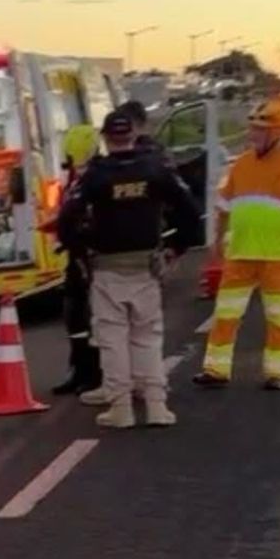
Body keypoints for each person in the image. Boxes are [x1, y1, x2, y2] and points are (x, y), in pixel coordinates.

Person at [58, 110, 201, 428]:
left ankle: (120, 407)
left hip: (107, 267)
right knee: (148, 337)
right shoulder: (156, 169)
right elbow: (190, 210)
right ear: (134, 134)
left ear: (106, 139)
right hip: (147, 264)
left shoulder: (95, 175)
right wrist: (175, 249)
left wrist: (81, 252)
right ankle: (156, 406)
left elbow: (67, 219)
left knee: (112, 339)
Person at [194, 96, 280, 391]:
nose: (253, 136)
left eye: (260, 131)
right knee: (225, 314)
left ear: (276, 132)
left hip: (279, 256)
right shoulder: (241, 165)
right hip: (240, 253)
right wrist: (217, 242)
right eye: (252, 129)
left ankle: (277, 373)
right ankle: (215, 369)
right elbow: (224, 206)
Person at [49, 123, 104, 396]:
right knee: (75, 316)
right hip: (76, 255)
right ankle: (80, 369)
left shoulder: (98, 177)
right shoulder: (77, 179)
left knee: (95, 318)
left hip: (94, 256)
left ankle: (96, 374)